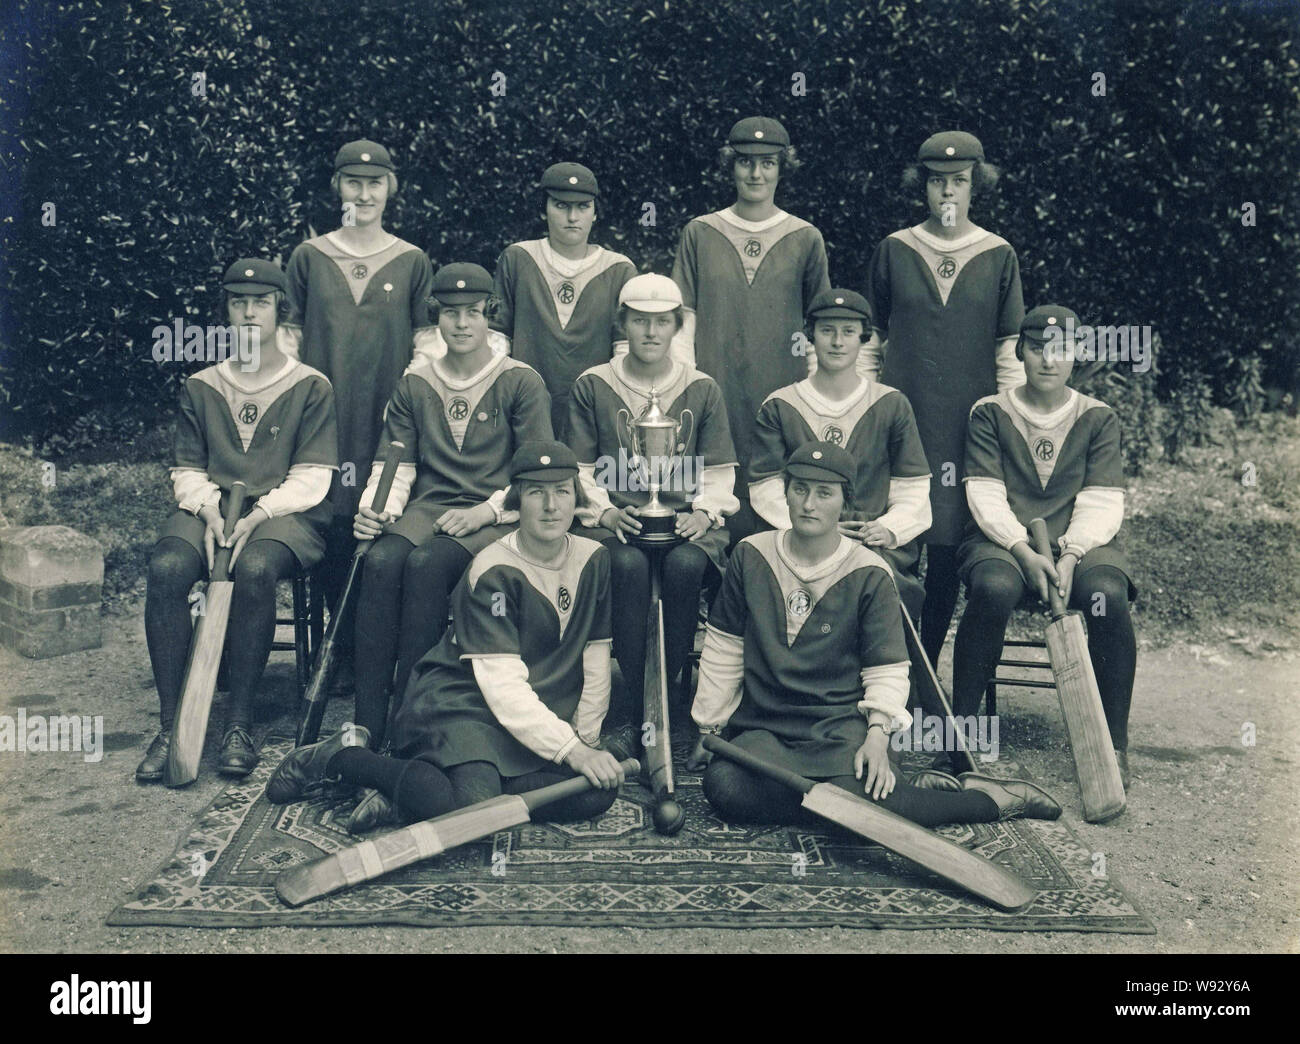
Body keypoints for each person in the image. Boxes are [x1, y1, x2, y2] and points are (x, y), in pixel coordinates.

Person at [685, 442, 1061, 827]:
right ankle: (883, 800)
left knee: (857, 803)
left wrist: (878, 738)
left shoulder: (870, 570)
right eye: (799, 489)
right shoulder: (751, 554)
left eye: (823, 493)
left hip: (840, 725)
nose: (808, 504)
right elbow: (724, 648)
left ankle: (989, 800)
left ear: (845, 502)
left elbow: (887, 670)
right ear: (786, 492)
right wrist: (710, 726)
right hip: (766, 726)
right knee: (726, 785)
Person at [265, 442, 626, 834]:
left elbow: (595, 654)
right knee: (476, 810)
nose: (551, 505)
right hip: (465, 706)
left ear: (578, 498)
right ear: (516, 503)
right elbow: (502, 688)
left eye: (562, 491)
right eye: (537, 493)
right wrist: (570, 751)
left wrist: (585, 742)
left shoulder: (594, 558)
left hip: (534, 712)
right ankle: (343, 759)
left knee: (595, 792)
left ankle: (415, 795)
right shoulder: (492, 570)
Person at [136, 258, 338, 781]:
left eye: (261, 303)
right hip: (211, 507)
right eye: (238, 302)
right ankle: (169, 725)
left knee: (253, 569)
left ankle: (239, 723)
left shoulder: (310, 385)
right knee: (166, 569)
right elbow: (186, 469)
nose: (249, 312)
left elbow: (313, 476)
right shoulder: (202, 383)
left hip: (285, 512)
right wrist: (207, 510)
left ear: (279, 311)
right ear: (226, 310)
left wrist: (257, 516)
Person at [349, 262, 552, 749]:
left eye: (474, 313)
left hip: (495, 513)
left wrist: (488, 510)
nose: (462, 324)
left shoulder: (521, 381)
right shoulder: (416, 382)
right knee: (379, 561)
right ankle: (363, 723)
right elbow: (395, 464)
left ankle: (409, 720)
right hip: (431, 506)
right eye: (451, 314)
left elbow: (536, 474)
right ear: (436, 319)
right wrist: (375, 509)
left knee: (426, 564)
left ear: (490, 317)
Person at [953, 306, 1138, 784]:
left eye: (1060, 350)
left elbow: (1101, 501)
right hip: (1006, 543)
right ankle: (961, 736)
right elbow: (985, 494)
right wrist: (1022, 550)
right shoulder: (989, 411)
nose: (1048, 361)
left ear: (1076, 355)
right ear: (1021, 353)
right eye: (1037, 349)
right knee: (993, 588)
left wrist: (1073, 553)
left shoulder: (1098, 417)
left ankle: (1113, 744)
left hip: (1080, 544)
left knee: (1108, 596)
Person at [863, 131, 1025, 668]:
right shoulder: (895, 248)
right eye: (938, 182)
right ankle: (892, 671)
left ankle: (928, 673)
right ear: (923, 187)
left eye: (958, 182)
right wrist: (864, 404)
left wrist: (1011, 423)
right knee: (900, 544)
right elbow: (873, 341)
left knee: (948, 550)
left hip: (968, 426)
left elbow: (1008, 352)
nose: (947, 194)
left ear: (976, 185)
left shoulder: (998, 254)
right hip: (904, 422)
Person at [281, 139, 437, 679]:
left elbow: (427, 345)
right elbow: (289, 342)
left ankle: (377, 647)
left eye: (374, 183)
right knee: (329, 516)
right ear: (338, 188)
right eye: (353, 182)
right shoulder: (309, 257)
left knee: (377, 519)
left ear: (390, 189)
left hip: (386, 414)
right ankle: (340, 644)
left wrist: (413, 403)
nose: (363, 193)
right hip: (322, 415)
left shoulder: (412, 260)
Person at [567, 273, 738, 735]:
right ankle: (640, 701)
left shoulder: (702, 387)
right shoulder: (593, 384)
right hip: (616, 521)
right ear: (623, 322)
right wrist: (601, 511)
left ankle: (666, 692)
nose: (650, 332)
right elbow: (579, 469)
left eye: (662, 322)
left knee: (684, 566)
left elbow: (720, 473)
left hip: (685, 521)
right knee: (626, 566)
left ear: (677, 326)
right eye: (640, 321)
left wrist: (704, 512)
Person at [671, 116, 830, 543]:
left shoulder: (805, 237)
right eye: (745, 162)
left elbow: (820, 329)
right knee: (712, 494)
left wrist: (816, 395)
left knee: (776, 499)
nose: (756, 173)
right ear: (731, 166)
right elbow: (683, 321)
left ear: (782, 167)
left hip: (781, 388)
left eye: (767, 163)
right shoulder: (700, 231)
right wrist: (690, 384)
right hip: (716, 386)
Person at [748, 288, 931, 619]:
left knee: (877, 585)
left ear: (863, 338)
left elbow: (913, 488)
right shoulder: (781, 404)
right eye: (827, 330)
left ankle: (882, 670)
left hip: (869, 538)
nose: (837, 341)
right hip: (797, 535)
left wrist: (890, 527)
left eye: (848, 332)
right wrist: (814, 527)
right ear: (810, 336)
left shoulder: (890, 403)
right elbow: (765, 487)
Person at [493, 162, 636, 440]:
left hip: (594, 414)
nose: (573, 216)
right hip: (524, 411)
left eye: (583, 206)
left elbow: (625, 354)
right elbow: (496, 340)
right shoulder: (519, 258)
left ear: (595, 213)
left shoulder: (618, 269)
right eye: (561, 205)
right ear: (543, 208)